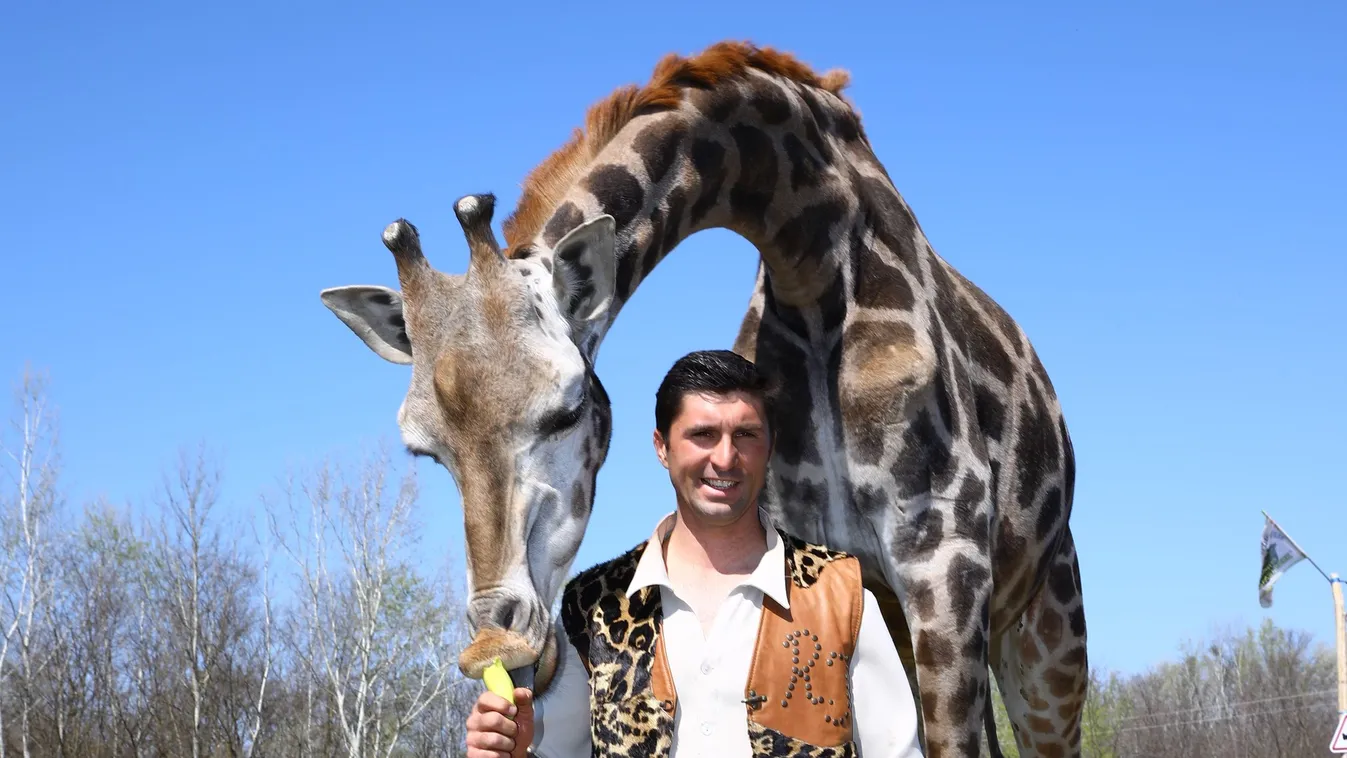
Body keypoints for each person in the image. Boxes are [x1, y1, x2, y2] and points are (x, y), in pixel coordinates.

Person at [466, 350, 924, 758]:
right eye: (703, 434)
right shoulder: (592, 607)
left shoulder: (841, 594)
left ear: (770, 447)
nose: (725, 458)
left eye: (745, 434)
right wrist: (509, 751)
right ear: (662, 448)